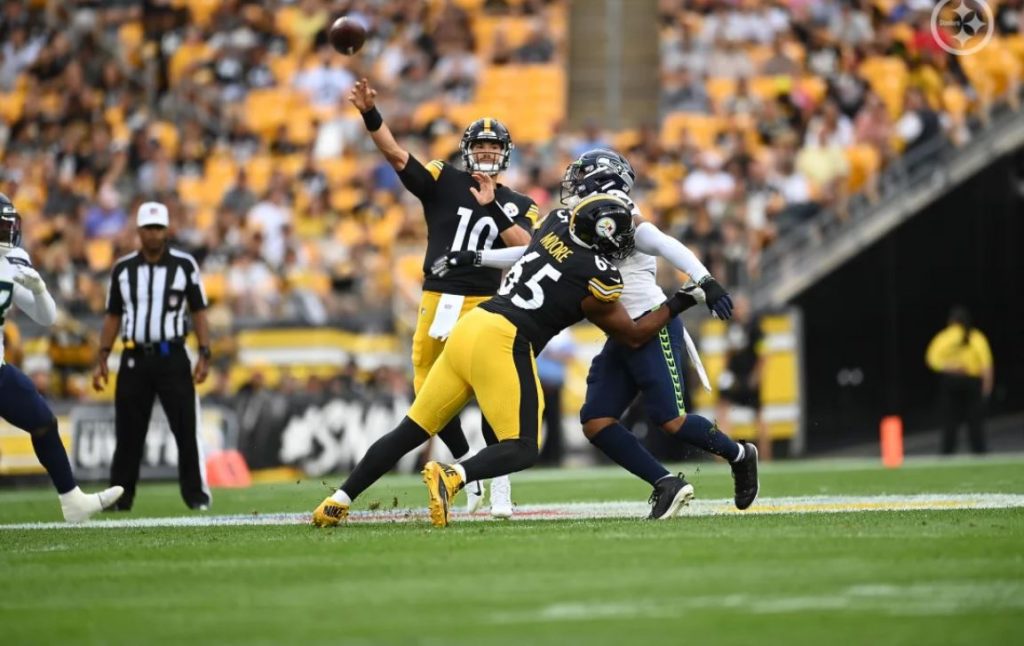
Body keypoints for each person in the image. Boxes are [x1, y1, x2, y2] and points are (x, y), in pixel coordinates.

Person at [312, 194, 704, 528]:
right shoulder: (599, 275)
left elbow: (526, 247)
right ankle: (452, 477)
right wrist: (681, 300)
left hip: (473, 324)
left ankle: (339, 501)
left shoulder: (553, 225)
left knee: (412, 428)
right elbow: (633, 333)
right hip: (506, 339)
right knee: (522, 448)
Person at [438, 150, 760, 518]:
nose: (572, 184)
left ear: (602, 180)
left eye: (581, 176)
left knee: (670, 419)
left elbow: (663, 242)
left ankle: (739, 455)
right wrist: (478, 258)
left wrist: (704, 281)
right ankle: (666, 483)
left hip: (651, 325)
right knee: (597, 420)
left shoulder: (619, 216)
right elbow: (535, 253)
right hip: (620, 329)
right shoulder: (581, 216)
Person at [348, 78, 537, 518]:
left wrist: (492, 204)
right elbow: (396, 154)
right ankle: (468, 469)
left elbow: (527, 246)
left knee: (495, 393)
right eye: (481, 146)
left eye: (494, 148)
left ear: (505, 154)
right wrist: (370, 114)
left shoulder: (519, 201)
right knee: (428, 392)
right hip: (436, 299)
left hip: (487, 304)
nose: (487, 153)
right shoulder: (442, 177)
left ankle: (500, 485)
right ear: (467, 148)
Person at [0, 193, 124, 522]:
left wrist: (40, 291)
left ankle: (73, 502)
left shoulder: (12, 259)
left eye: (9, 226)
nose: (7, 234)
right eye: (1, 227)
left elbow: (46, 317)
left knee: (42, 421)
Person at [91, 201, 213, 511]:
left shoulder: (185, 266)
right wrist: (103, 355)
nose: (154, 234)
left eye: (159, 228)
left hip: (173, 355)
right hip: (134, 358)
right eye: (149, 228)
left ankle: (196, 496)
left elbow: (199, 310)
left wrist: (204, 352)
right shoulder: (123, 269)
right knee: (128, 434)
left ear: (167, 230)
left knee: (186, 429)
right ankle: (121, 497)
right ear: (139, 230)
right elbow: (113, 316)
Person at [926, 306, 994, 454]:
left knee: (950, 421)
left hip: (951, 383)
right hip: (972, 383)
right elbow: (986, 365)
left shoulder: (944, 337)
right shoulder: (976, 336)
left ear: (951, 321)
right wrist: (987, 388)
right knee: (975, 421)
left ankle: (947, 455)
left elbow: (932, 360)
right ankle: (979, 453)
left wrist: (948, 367)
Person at [715, 294, 770, 461]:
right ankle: (721, 454)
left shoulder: (755, 327)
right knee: (722, 409)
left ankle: (767, 457)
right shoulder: (731, 326)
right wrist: (724, 372)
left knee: (759, 415)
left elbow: (763, 355)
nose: (738, 310)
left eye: (741, 307)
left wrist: (756, 376)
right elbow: (728, 352)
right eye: (736, 307)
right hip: (733, 376)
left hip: (749, 376)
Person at [535, 328, 576, 468]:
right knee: (535, 422)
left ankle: (553, 455)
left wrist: (551, 354)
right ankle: (537, 455)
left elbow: (570, 356)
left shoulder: (564, 333)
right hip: (537, 382)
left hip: (553, 384)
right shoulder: (538, 327)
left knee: (553, 421)